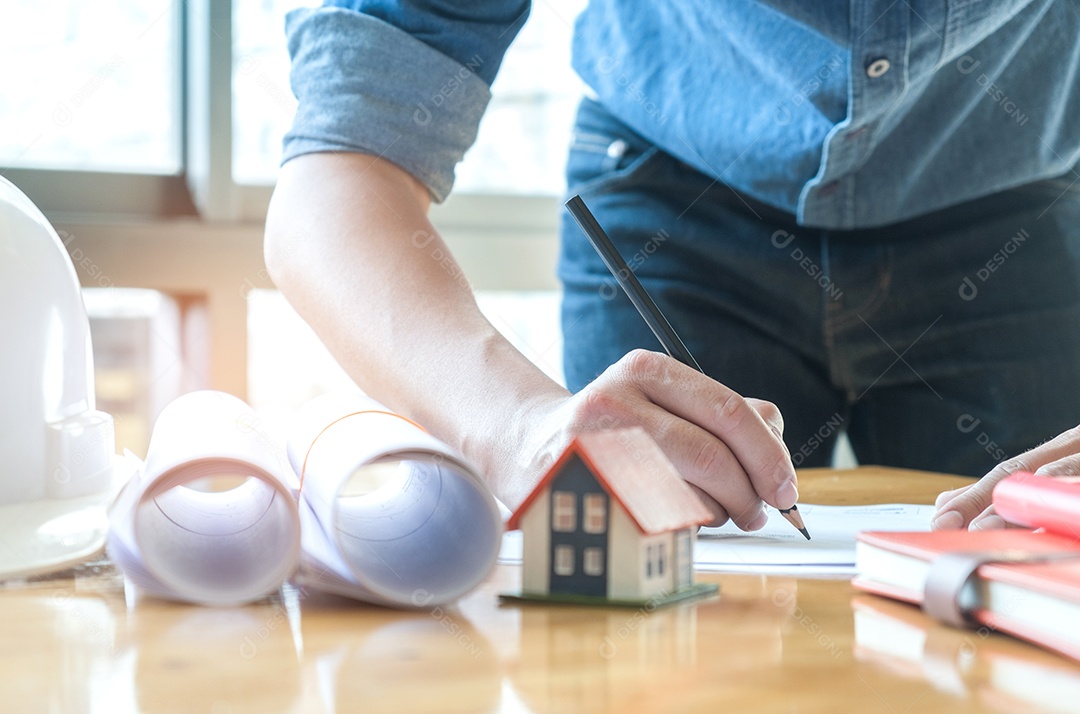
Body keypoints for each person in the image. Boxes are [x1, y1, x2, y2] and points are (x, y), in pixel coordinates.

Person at [265, 1, 1080, 531]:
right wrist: (513, 428)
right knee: (653, 613)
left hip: (1014, 205)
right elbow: (336, 176)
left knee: (1017, 608)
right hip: (672, 199)